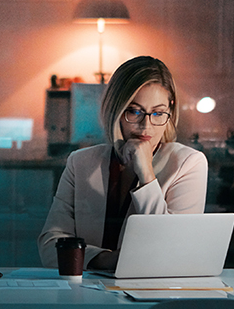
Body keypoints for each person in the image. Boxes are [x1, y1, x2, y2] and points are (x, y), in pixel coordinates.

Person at [38, 56, 208, 269]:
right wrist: (105, 259)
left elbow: (173, 250)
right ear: (116, 110)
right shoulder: (80, 162)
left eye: (158, 113)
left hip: (154, 291)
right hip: (86, 290)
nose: (146, 126)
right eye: (135, 111)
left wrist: (146, 174)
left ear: (170, 110)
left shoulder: (188, 163)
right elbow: (50, 245)